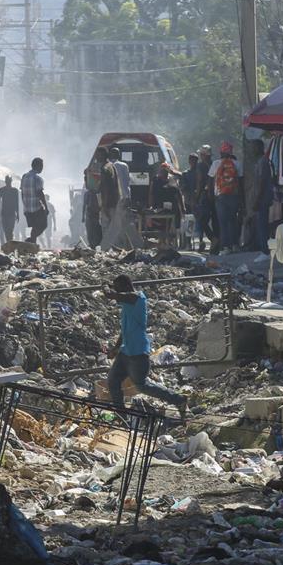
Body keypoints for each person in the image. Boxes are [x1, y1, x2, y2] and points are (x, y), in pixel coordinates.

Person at [104, 274, 188, 419]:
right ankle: (121, 415)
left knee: (142, 386)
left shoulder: (137, 298)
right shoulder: (126, 303)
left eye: (118, 288)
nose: (118, 293)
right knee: (113, 380)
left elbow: (110, 294)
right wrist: (116, 348)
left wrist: (105, 286)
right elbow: (125, 330)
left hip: (138, 353)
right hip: (125, 352)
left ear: (125, 286)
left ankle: (178, 400)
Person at [209, 142, 242, 253]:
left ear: (221, 152)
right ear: (231, 152)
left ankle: (225, 247)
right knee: (232, 220)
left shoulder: (216, 164)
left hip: (220, 196)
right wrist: (241, 198)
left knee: (222, 222)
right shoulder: (237, 164)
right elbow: (241, 182)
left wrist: (211, 195)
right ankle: (235, 245)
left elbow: (210, 181)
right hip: (234, 196)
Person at [194, 145, 219, 253]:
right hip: (216, 195)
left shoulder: (200, 166)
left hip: (205, 195)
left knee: (201, 220)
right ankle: (217, 244)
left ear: (203, 155)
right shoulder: (214, 164)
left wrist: (197, 196)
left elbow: (200, 182)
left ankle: (213, 238)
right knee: (215, 220)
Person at [21, 156, 48, 244]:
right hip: (36, 208)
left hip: (27, 208)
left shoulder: (24, 177)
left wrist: (24, 205)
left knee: (35, 227)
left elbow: (22, 193)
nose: (42, 168)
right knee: (43, 225)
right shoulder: (38, 179)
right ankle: (31, 240)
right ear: (38, 166)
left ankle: (32, 245)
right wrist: (46, 208)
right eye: (41, 166)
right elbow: (40, 193)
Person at [83, 147, 106, 248]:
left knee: (98, 225)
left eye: (98, 154)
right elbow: (88, 185)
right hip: (95, 201)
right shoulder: (94, 167)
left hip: (102, 200)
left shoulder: (106, 167)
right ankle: (94, 244)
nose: (96, 156)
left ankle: (98, 243)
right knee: (92, 225)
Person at [0, 176, 20, 245]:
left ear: (10, 181)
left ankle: (10, 244)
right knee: (7, 231)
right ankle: (10, 244)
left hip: (11, 213)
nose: (8, 182)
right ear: (6, 181)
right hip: (4, 213)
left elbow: (16, 203)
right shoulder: (2, 190)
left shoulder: (14, 191)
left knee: (9, 231)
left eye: (9, 181)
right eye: (7, 181)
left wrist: (18, 214)